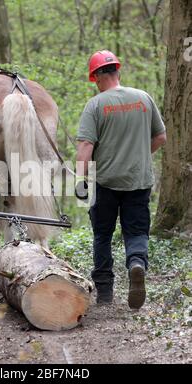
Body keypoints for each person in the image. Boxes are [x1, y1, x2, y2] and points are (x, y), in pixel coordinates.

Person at [75, 50, 166, 310]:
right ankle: (137, 264)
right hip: (139, 180)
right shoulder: (143, 98)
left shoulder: (95, 105)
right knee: (136, 231)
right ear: (118, 72)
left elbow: (85, 146)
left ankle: (104, 293)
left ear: (97, 78)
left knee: (102, 234)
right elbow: (161, 137)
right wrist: (138, 156)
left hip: (105, 182)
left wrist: (81, 181)